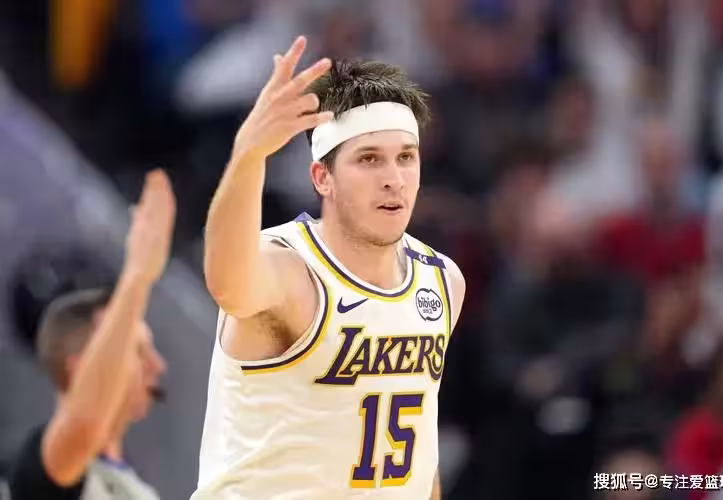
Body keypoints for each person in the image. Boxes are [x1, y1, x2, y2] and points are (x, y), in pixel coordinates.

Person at [193, 36, 466, 499]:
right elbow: (227, 283)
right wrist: (249, 156)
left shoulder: (442, 281)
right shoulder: (290, 269)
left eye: (406, 157)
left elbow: (420, 453)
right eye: (369, 159)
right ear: (323, 177)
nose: (394, 179)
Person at [8, 169, 176, 500]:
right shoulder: (41, 466)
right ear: (80, 368)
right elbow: (84, 424)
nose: (157, 365)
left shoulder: (135, 486)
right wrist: (137, 274)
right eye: (138, 351)